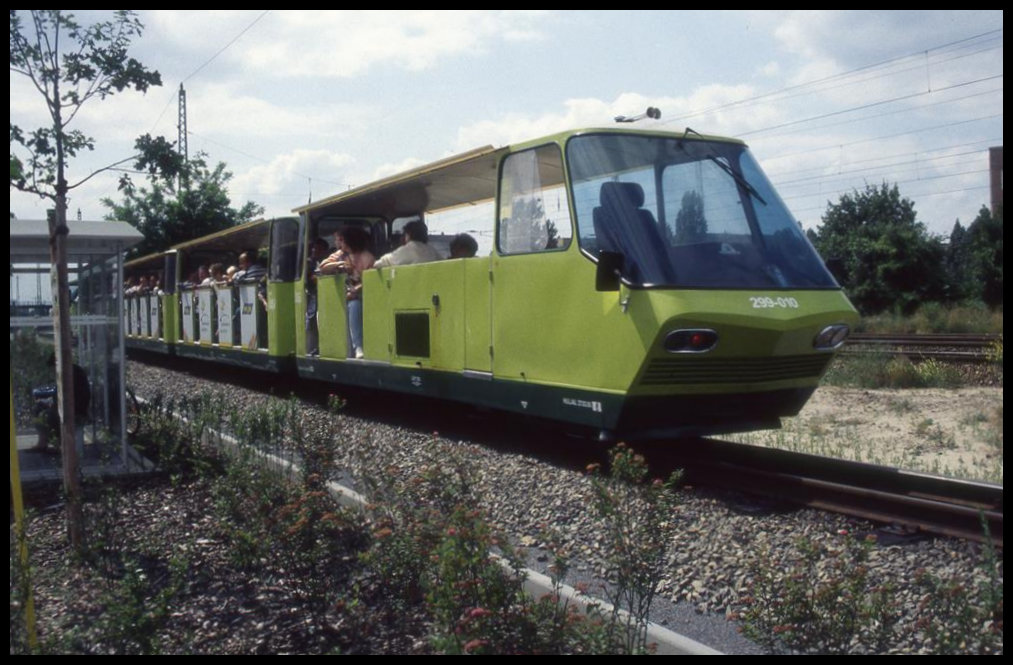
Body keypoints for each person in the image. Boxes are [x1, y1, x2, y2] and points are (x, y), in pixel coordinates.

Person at [320, 227, 374, 358]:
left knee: (355, 305)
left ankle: (358, 347)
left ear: (350, 241)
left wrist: (357, 289)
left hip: (363, 295)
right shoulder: (340, 255)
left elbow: (371, 280)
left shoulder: (367, 257)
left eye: (342, 240)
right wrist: (339, 265)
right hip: (344, 295)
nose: (340, 243)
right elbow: (323, 267)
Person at [374, 220, 442, 267]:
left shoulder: (409, 249)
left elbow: (388, 260)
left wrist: (373, 264)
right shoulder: (432, 250)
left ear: (409, 234)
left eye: (405, 234)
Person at [305, 237, 329, 356]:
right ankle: (312, 348)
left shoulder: (328, 261)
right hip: (313, 296)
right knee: (311, 322)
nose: (315, 251)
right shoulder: (309, 262)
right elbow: (308, 279)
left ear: (325, 250)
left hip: (327, 295)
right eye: (314, 248)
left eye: (318, 249)